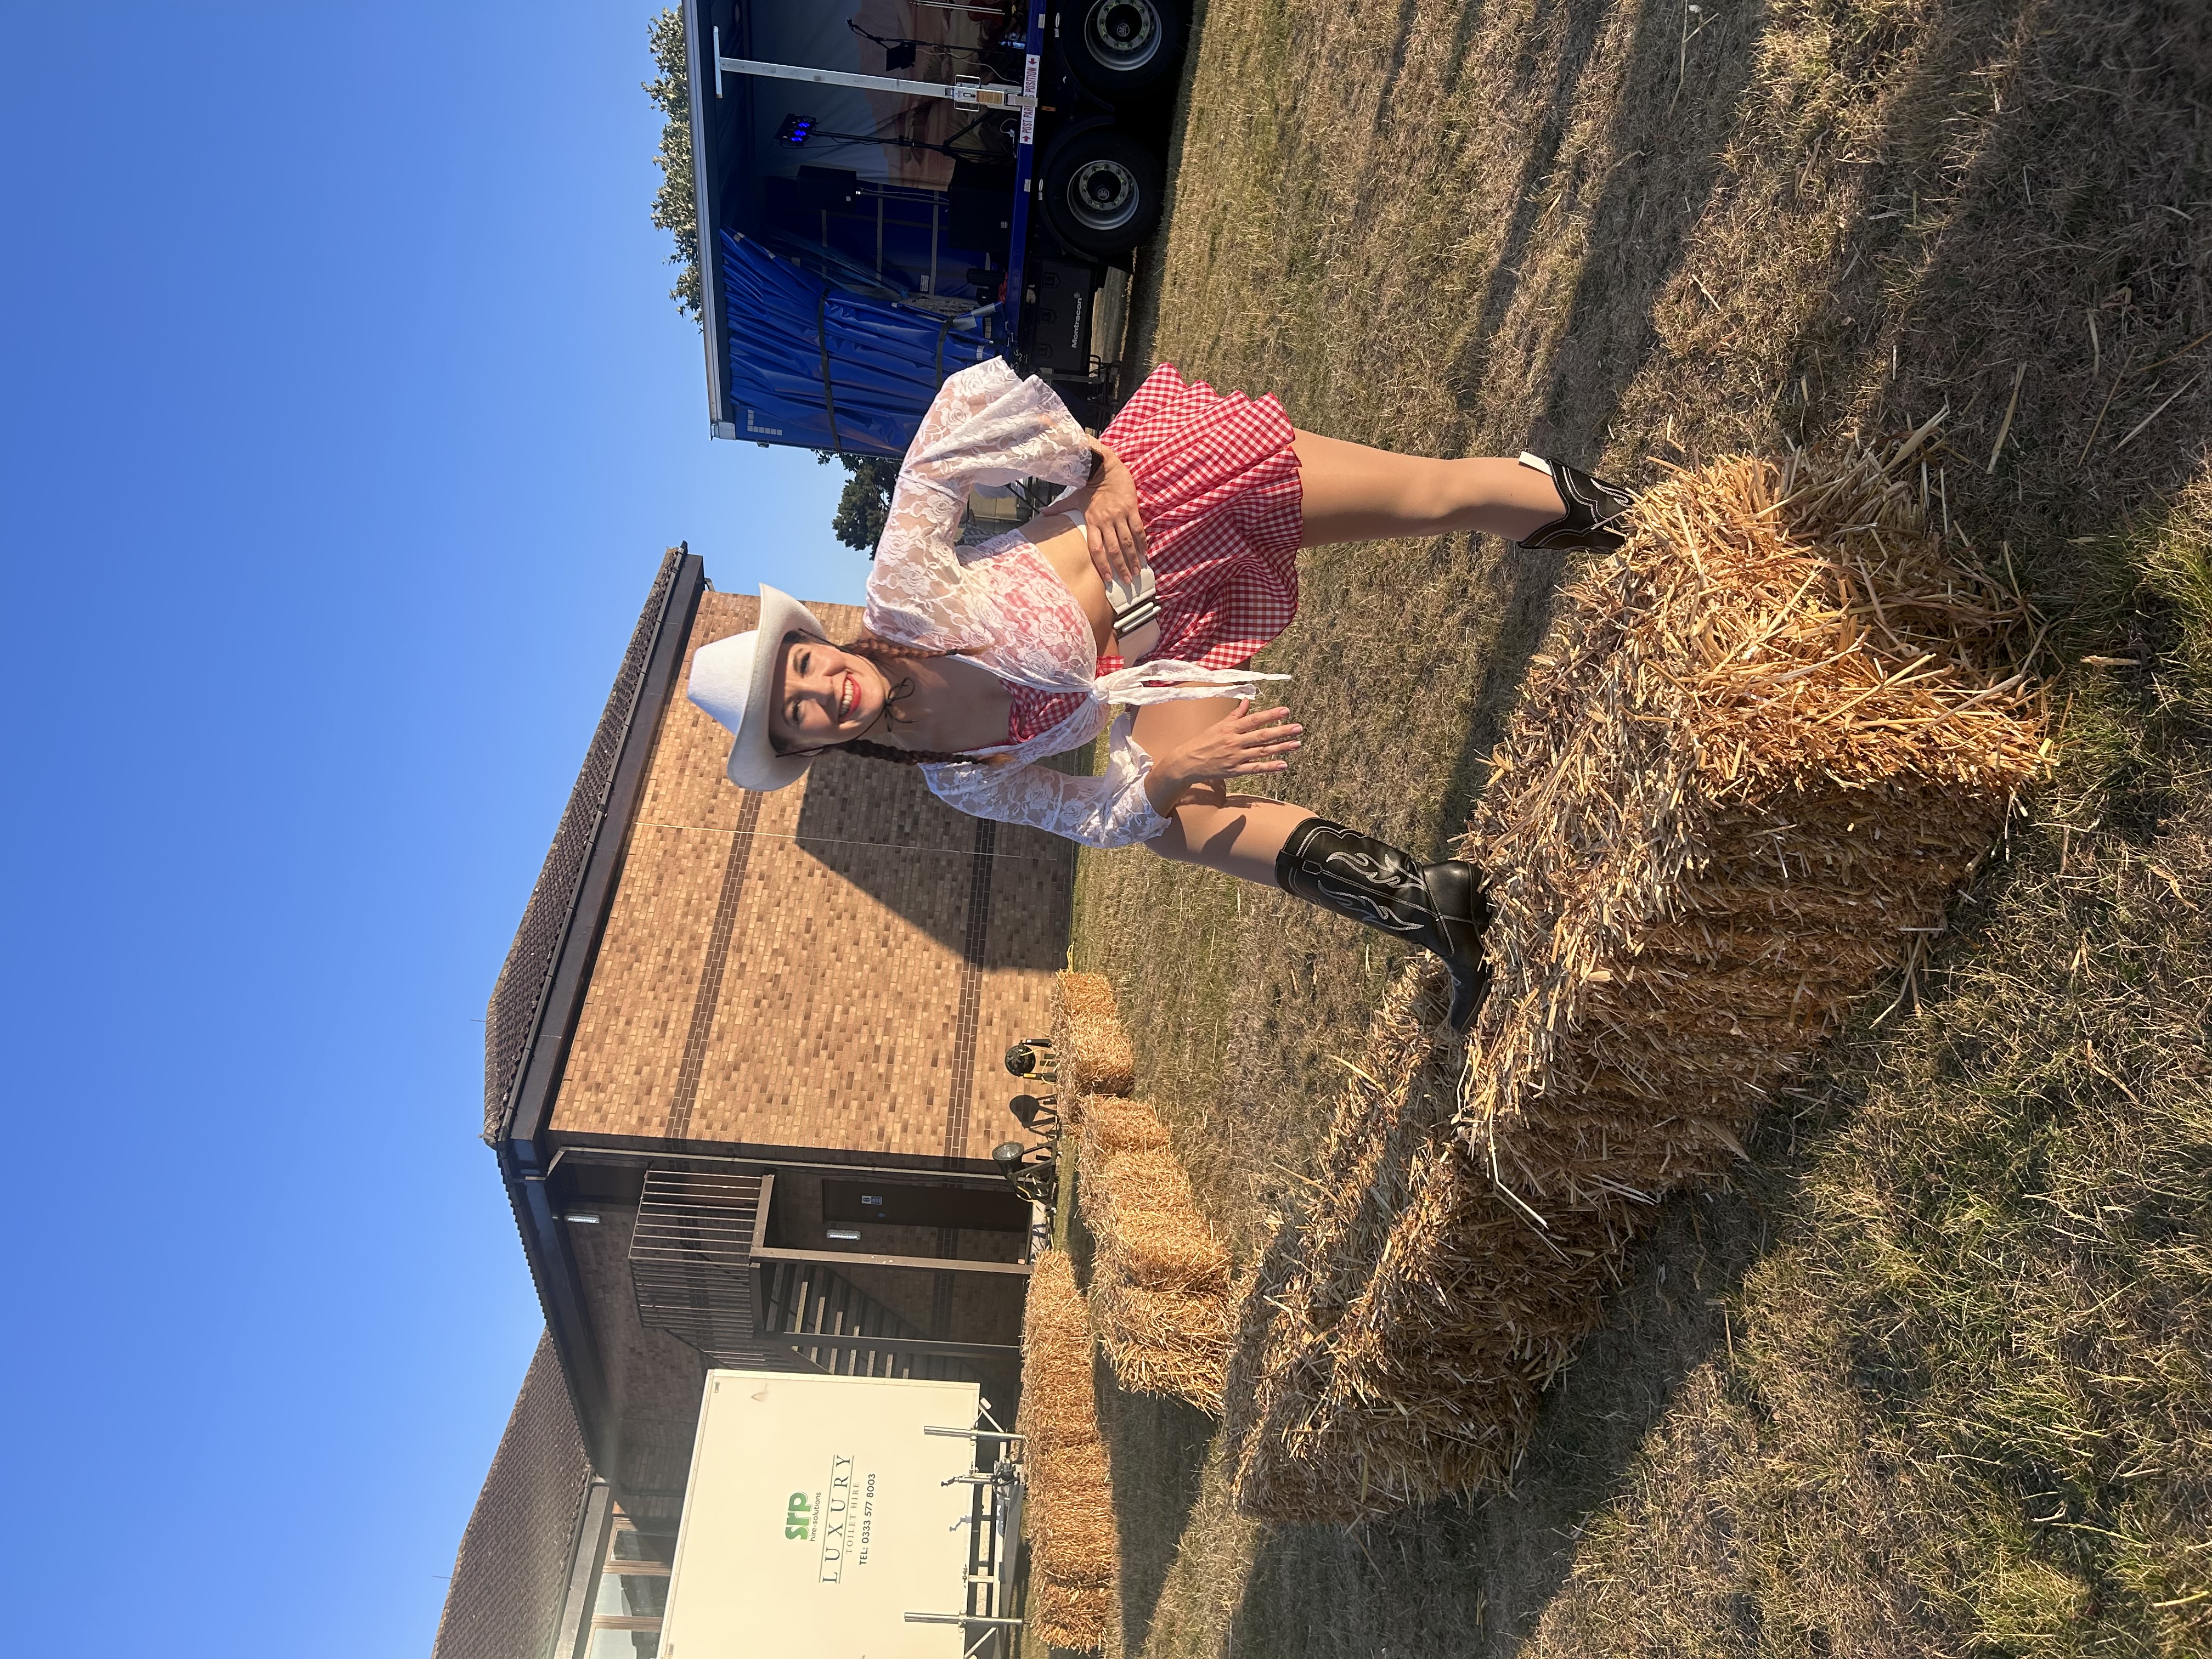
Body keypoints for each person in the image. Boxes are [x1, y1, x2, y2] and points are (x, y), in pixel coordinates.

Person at [685, 358, 1632, 1030]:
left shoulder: (905, 595)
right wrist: (1175, 768)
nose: (822, 690)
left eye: (804, 666)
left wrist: (1093, 472)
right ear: (809, 748)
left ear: (814, 642)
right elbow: (1096, 818)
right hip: (1174, 644)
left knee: (1436, 498)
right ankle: (1433, 908)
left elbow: (956, 414)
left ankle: (1632, 521)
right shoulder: (957, 776)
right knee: (1170, 819)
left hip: (1183, 503)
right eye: (798, 712)